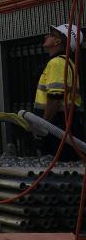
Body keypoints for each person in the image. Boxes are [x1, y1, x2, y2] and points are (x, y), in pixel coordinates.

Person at [33, 23, 84, 161]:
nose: (46, 36)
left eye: (51, 34)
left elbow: (55, 98)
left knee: (56, 170)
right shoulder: (66, 62)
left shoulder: (57, 63)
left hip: (57, 127)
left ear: (58, 41)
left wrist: (42, 127)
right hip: (65, 125)